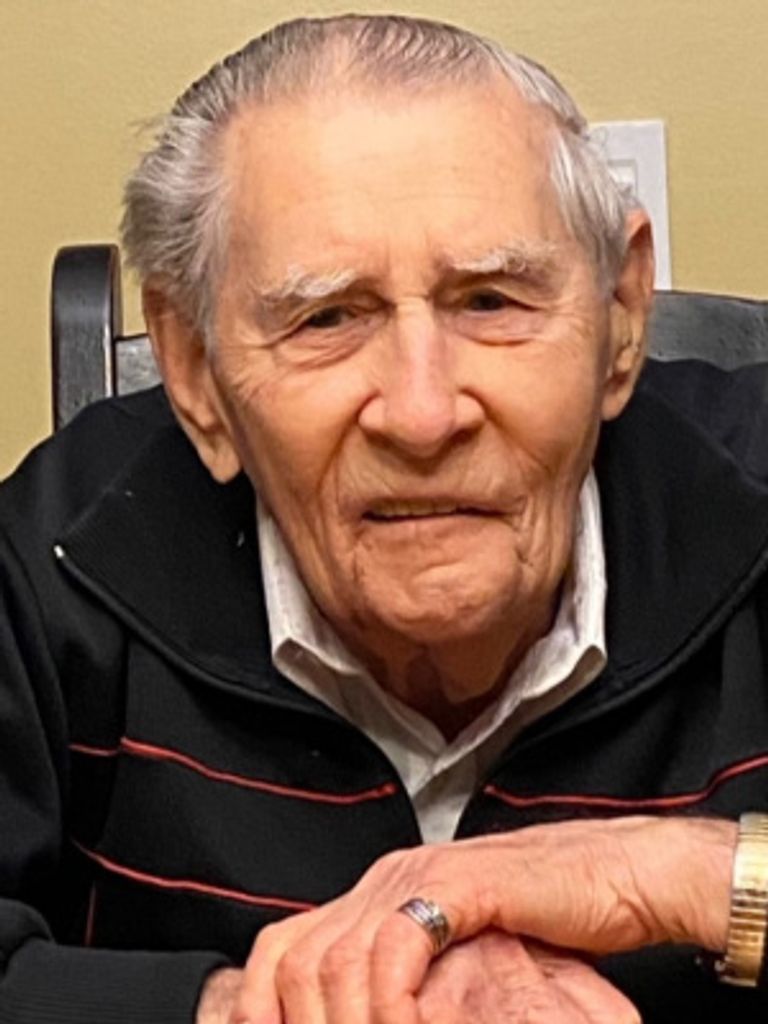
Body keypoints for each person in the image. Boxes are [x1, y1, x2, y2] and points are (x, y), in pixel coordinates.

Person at [2, 12, 768, 1024]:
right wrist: (252, 1011)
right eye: (327, 317)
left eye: (492, 302)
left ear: (621, 318)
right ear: (193, 370)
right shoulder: (53, 557)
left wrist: (679, 874)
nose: (421, 413)